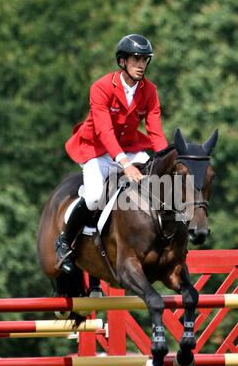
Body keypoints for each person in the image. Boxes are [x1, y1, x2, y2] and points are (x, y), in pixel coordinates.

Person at [55, 33, 169, 274]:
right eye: (136, 59)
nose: (141, 65)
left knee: (159, 181)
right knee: (95, 196)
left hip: (130, 147)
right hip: (98, 149)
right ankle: (64, 242)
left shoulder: (149, 91)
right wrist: (124, 164)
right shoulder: (102, 87)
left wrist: (168, 159)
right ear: (122, 62)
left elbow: (156, 133)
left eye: (144, 60)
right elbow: (104, 131)